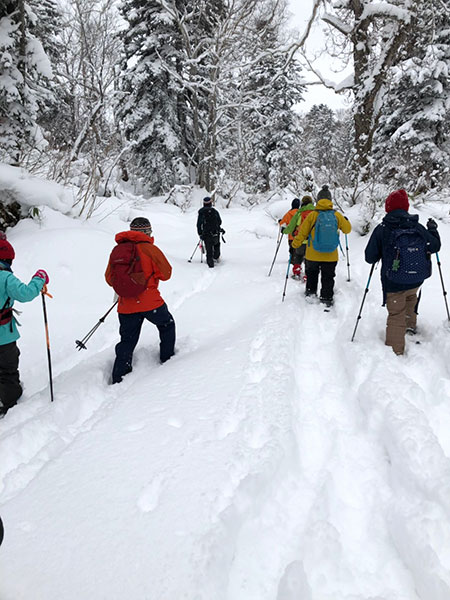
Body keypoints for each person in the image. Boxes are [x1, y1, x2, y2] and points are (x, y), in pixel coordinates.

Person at [364, 189, 440, 355]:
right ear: (406, 207)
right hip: (417, 277)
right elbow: (434, 246)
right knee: (411, 298)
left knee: (396, 313)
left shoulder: (383, 228)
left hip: (394, 280)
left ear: (388, 207)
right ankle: (410, 327)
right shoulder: (417, 227)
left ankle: (394, 353)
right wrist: (433, 230)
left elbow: (369, 257)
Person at [105, 217, 175, 384]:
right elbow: (166, 274)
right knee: (167, 325)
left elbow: (109, 278)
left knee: (127, 340)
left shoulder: (118, 250)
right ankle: (168, 360)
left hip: (126, 304)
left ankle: (119, 376)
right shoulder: (151, 249)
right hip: (150, 302)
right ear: (147, 232)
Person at [0, 235, 49, 416]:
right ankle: (10, 403)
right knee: (7, 368)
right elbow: (26, 294)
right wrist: (40, 278)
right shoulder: (5, 277)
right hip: (3, 334)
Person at [291, 185, 351, 307]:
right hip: (331, 255)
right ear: (330, 200)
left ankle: (311, 294)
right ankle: (326, 297)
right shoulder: (337, 215)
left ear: (318, 200)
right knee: (328, 277)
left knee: (312, 274)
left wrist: (295, 244)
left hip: (313, 254)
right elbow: (347, 230)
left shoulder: (312, 215)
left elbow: (302, 233)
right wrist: (346, 220)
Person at [282, 195, 315, 279]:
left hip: (300, 240)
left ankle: (297, 272)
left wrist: (284, 231)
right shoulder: (316, 213)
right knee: (309, 258)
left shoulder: (299, 213)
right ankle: (308, 275)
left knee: (298, 255)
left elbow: (291, 227)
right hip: (313, 241)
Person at [197, 197, 224, 268]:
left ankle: (210, 263)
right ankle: (216, 256)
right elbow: (220, 222)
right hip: (216, 233)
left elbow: (199, 224)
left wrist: (200, 233)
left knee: (209, 249)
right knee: (216, 244)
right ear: (210, 203)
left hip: (206, 234)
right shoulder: (215, 211)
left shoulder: (201, 212)